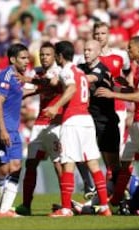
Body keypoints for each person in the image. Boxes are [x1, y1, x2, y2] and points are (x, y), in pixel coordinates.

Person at [44, 40, 111, 217]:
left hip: (72, 120)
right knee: (93, 163)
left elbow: (72, 88)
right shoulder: (80, 72)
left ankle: (66, 209)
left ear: (59, 56)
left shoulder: (66, 70)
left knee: (68, 163)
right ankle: (104, 207)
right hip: (86, 119)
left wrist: (55, 106)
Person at [95, 36, 139, 209]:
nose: (128, 50)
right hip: (138, 120)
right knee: (125, 161)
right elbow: (138, 92)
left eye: (130, 48)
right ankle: (116, 200)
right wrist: (120, 87)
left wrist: (113, 94)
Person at [15, 41, 63, 216]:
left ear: (55, 56)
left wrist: (28, 81)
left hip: (55, 124)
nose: (44, 57)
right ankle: (26, 205)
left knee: (59, 164)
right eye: (42, 54)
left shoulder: (58, 71)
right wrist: (23, 94)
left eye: (48, 54)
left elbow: (49, 83)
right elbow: (35, 87)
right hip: (39, 124)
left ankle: (66, 205)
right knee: (31, 164)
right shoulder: (37, 72)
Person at [0, 43, 29, 218]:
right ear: (13, 59)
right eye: (23, 58)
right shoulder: (6, 75)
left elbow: (16, 95)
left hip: (14, 128)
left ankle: (4, 210)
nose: (27, 61)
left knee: (17, 166)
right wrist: (2, 130)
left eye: (27, 58)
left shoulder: (19, 77)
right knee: (4, 170)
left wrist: (35, 91)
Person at [77, 39, 120, 199]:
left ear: (98, 52)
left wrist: (70, 76)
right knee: (79, 152)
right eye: (85, 50)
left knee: (112, 163)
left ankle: (120, 193)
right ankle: (89, 186)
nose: (86, 52)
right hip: (88, 120)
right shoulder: (80, 68)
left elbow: (89, 79)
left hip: (105, 121)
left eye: (90, 50)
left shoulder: (102, 69)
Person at [92, 21, 131, 189]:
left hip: (117, 107)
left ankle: (118, 189)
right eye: (97, 34)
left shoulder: (120, 56)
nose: (100, 36)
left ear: (109, 35)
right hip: (97, 109)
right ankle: (112, 189)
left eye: (103, 33)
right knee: (102, 149)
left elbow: (127, 75)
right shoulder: (88, 56)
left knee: (116, 149)